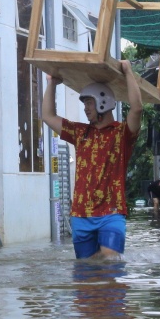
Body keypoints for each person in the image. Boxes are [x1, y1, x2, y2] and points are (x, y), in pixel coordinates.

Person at [41, 61, 143, 260]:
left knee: (110, 259)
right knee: (86, 272)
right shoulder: (80, 132)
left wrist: (128, 71)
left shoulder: (122, 133)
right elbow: (47, 116)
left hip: (112, 212)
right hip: (81, 214)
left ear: (103, 102)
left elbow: (137, 109)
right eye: (85, 103)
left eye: (89, 103)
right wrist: (52, 83)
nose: (86, 108)